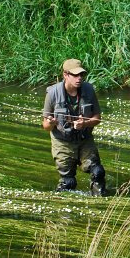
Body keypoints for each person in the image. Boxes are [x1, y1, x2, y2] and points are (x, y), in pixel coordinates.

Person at [41, 59, 107, 196]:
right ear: (65, 75)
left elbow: (97, 118)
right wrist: (51, 123)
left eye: (81, 75)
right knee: (68, 182)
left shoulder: (88, 90)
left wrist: (85, 124)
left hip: (85, 139)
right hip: (62, 141)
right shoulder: (52, 94)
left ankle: (100, 200)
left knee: (98, 172)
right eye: (75, 75)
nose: (79, 78)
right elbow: (45, 126)